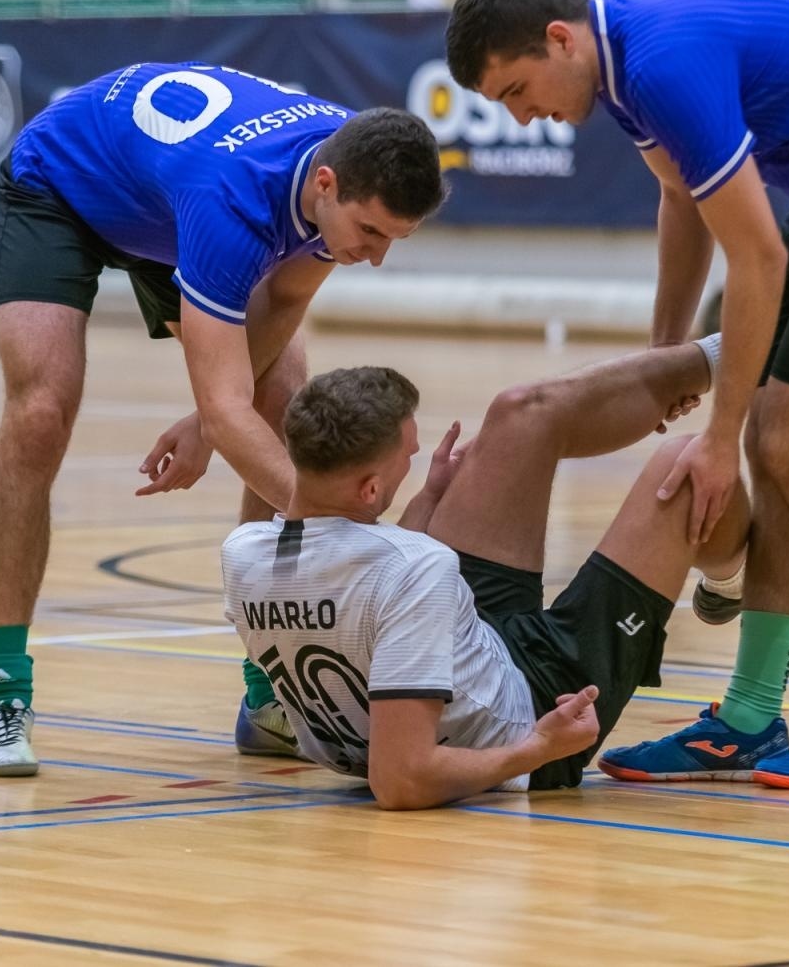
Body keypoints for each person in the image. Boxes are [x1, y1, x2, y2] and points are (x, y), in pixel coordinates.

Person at [444, 0, 789, 788]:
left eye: (519, 89)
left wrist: (718, 435)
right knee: (781, 451)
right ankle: (751, 716)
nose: (523, 114)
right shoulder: (619, 55)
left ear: (559, 39)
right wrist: (668, 353)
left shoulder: (660, 62)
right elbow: (681, 199)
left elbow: (758, 254)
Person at [0, 62, 446, 776]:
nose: (374, 258)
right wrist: (341, 535)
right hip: (64, 186)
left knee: (285, 401)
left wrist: (205, 417)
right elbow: (230, 411)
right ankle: (2, 692)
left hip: (167, 206)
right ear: (326, 186)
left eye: (392, 240)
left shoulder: (345, 160)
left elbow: (281, 302)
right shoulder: (236, 199)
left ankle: (267, 695)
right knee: (40, 413)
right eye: (370, 232)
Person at [221, 337, 747, 808]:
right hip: (531, 709)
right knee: (689, 464)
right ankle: (731, 575)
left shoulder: (244, 551)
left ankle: (732, 347)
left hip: (465, 660)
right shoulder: (418, 567)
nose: (414, 457)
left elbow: (365, 577)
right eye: (407, 455)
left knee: (520, 412)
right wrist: (538, 748)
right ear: (370, 490)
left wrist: (429, 494)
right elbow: (402, 780)